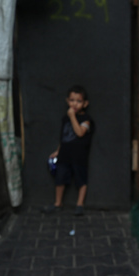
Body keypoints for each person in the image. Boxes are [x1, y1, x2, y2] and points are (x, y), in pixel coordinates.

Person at [42, 85, 94, 216]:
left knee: (80, 179)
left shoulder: (86, 120)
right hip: (65, 154)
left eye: (79, 101)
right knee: (60, 179)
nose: (74, 104)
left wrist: (72, 117)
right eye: (72, 100)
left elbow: (80, 133)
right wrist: (58, 150)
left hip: (79, 156)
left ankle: (79, 204)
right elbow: (64, 137)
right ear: (67, 101)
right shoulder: (64, 119)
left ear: (85, 103)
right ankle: (58, 203)